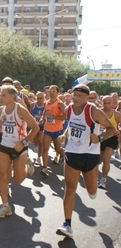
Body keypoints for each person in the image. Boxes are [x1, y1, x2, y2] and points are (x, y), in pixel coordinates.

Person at [56, 84, 116, 239]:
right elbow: (71, 125)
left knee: (91, 190)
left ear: (87, 97)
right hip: (72, 153)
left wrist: (100, 138)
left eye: (79, 96)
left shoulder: (93, 111)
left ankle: (93, 188)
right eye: (74, 95)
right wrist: (64, 135)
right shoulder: (69, 109)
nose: (75, 98)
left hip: (90, 154)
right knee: (70, 189)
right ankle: (67, 224)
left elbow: (111, 129)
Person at [0, 85, 38, 219]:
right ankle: (5, 205)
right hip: (5, 145)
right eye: (0, 95)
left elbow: (35, 128)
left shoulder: (20, 110)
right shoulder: (1, 109)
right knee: (2, 174)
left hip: (19, 147)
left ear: (12, 96)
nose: (1, 98)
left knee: (17, 180)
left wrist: (23, 142)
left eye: (3, 95)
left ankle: (27, 167)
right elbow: (1, 126)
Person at [40, 85, 66, 176]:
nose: (51, 92)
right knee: (45, 148)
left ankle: (63, 154)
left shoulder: (60, 104)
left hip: (57, 130)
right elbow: (45, 112)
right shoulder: (46, 103)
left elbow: (66, 116)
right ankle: (45, 168)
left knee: (57, 148)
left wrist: (55, 117)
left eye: (54, 91)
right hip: (47, 129)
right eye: (50, 91)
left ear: (57, 93)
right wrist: (42, 118)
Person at [97, 96, 121, 189]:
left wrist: (119, 131)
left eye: (109, 103)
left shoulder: (117, 114)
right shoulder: (97, 112)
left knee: (106, 159)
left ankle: (103, 180)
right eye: (105, 103)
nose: (107, 105)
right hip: (100, 138)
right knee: (99, 159)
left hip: (111, 138)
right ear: (101, 103)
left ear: (112, 103)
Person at [30, 91, 45, 165]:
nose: (39, 100)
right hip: (34, 126)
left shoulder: (46, 105)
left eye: (41, 98)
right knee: (36, 142)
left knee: (40, 141)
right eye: (38, 98)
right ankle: (33, 141)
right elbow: (28, 114)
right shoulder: (33, 105)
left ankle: (38, 157)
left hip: (43, 126)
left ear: (44, 98)